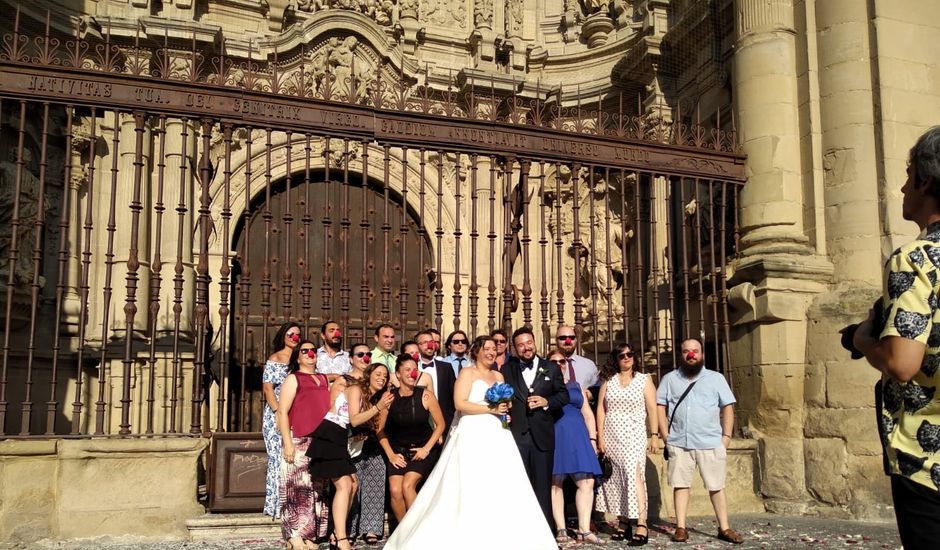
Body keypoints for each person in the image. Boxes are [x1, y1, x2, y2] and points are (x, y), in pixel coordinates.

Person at [384, 336, 558, 550]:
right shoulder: (467, 373)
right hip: (472, 432)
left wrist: (505, 408)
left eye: (494, 349)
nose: (491, 352)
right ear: (476, 351)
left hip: (497, 432)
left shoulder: (498, 375)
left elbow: (506, 403)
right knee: (469, 480)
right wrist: (489, 409)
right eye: (487, 349)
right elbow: (460, 404)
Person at [853, 126, 940, 549]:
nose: (903, 186)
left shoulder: (916, 257)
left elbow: (902, 362)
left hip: (927, 461)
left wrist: (864, 339)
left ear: (925, 180)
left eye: (908, 175)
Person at [656, 338, 742, 544]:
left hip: (710, 441)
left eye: (695, 351)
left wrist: (726, 438)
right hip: (679, 442)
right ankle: (681, 527)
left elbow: (728, 407)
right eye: (686, 351)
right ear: (681, 354)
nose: (691, 355)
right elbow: (660, 406)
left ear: (702, 354)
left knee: (716, 486)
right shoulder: (669, 379)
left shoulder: (716, 378)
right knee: (680, 485)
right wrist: (666, 436)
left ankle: (724, 527)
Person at [503, 326, 570, 529]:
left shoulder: (550, 367)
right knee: (519, 485)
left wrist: (545, 401)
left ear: (535, 343)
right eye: (521, 345)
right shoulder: (507, 370)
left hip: (542, 435)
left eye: (529, 343)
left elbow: (563, 396)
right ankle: (521, 532)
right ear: (514, 349)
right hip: (518, 435)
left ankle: (545, 534)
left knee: (543, 487)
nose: (526, 348)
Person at [596, 343, 660, 545]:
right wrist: (601, 438)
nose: (626, 358)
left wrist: (655, 435)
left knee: (634, 475)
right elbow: (601, 409)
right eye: (621, 355)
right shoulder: (609, 380)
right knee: (617, 478)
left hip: (634, 434)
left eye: (629, 354)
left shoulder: (644, 379)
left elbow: (652, 408)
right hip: (612, 434)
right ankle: (623, 520)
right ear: (616, 359)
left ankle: (642, 523)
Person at [275, 339, 331, 549]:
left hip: (320, 440)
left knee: (316, 489)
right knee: (294, 488)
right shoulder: (293, 378)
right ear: (297, 356)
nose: (309, 354)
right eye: (304, 351)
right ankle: (294, 535)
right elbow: (282, 411)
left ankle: (310, 534)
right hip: (298, 438)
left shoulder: (323, 378)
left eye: (312, 350)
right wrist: (287, 443)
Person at [377, 353, 447, 522]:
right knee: (395, 490)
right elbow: (379, 430)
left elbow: (441, 425)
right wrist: (391, 455)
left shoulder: (426, 395)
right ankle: (403, 534)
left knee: (408, 486)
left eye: (415, 370)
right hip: (397, 452)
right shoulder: (389, 397)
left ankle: (416, 530)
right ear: (398, 374)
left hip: (421, 450)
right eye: (407, 370)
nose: (412, 373)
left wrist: (426, 449)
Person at [547, 350, 602, 544]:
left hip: (579, 436)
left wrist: (593, 439)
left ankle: (584, 529)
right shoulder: (543, 386)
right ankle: (561, 529)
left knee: (587, 482)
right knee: (556, 482)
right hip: (556, 435)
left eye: (562, 361)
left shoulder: (576, 385)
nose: (559, 364)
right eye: (554, 361)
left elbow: (587, 414)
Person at [306, 374, 359, 550]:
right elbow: (335, 405)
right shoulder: (345, 382)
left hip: (341, 436)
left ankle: (337, 534)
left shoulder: (363, 389)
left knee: (353, 485)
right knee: (344, 484)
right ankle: (341, 539)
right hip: (331, 432)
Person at [346, 363, 394, 545]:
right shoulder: (356, 389)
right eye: (378, 374)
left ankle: (371, 528)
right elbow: (354, 419)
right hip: (350, 445)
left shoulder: (383, 397)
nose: (382, 377)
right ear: (369, 375)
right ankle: (349, 529)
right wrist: (377, 407)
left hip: (372, 444)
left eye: (385, 375)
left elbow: (378, 427)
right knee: (353, 488)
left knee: (375, 486)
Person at [262, 322, 301, 518]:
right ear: (283, 336)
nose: (294, 337)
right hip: (276, 414)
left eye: (297, 334)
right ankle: (276, 505)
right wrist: (278, 412)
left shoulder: (299, 359)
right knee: (277, 457)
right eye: (290, 333)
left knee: (292, 457)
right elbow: (268, 389)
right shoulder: (275, 358)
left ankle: (292, 504)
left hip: (295, 413)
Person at [415, 329, 458, 435]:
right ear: (417, 346)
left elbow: (453, 395)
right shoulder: (412, 367)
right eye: (424, 342)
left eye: (432, 342)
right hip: (419, 422)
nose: (429, 345)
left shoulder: (446, 367)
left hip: (444, 421)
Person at [556, 325, 600, 404]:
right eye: (563, 338)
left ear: (576, 340)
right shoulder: (548, 364)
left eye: (572, 337)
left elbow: (597, 390)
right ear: (556, 341)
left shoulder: (589, 365)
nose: (568, 341)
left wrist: (590, 395)